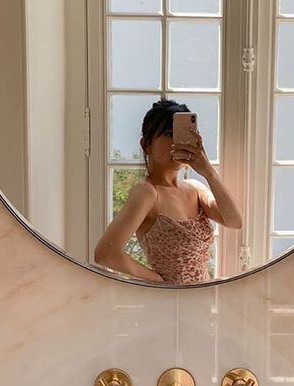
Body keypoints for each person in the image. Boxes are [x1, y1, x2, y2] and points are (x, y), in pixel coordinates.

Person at [94, 99, 242, 284]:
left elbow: (235, 221)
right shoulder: (147, 193)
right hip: (167, 305)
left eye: (182, 134)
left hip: (203, 303)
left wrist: (209, 172)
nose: (176, 142)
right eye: (168, 133)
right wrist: (156, 279)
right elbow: (105, 254)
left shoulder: (195, 189)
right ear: (147, 145)